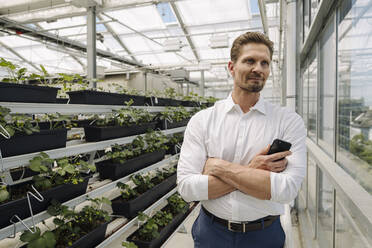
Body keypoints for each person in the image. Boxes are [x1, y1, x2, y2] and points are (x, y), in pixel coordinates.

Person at [177, 32, 306, 248]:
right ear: (231, 67)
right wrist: (253, 170)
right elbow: (187, 188)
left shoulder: (288, 121)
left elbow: (287, 189)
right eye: (250, 61)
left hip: (264, 236)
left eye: (265, 63)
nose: (258, 68)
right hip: (211, 233)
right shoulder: (203, 120)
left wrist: (217, 166)